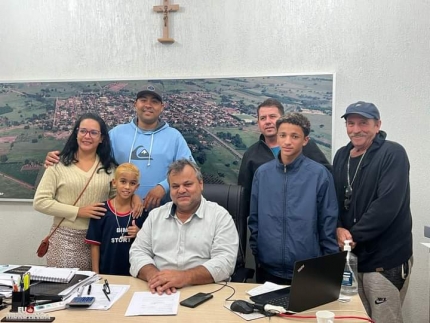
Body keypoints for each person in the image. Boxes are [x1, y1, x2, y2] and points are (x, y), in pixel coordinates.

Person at [45, 83, 194, 211]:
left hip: (162, 210)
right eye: (143, 100)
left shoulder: (174, 136)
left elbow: (190, 168)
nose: (148, 105)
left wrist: (163, 187)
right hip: (121, 211)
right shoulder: (117, 133)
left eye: (154, 101)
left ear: (162, 107)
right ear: (135, 104)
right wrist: (61, 158)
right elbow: (91, 157)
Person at [333, 101, 413, 323]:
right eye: (351, 123)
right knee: (354, 319)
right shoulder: (341, 155)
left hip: (384, 260)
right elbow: (334, 199)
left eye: (363, 123)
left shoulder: (393, 153)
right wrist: (338, 227)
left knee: (384, 319)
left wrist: (353, 237)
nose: (356, 129)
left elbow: (386, 205)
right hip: (351, 258)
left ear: (378, 125)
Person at [248, 113, 339, 284]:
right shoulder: (262, 174)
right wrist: (258, 251)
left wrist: (329, 266)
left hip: (308, 270)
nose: (287, 141)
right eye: (282, 135)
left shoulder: (319, 175)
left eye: (294, 136)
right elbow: (255, 218)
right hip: (268, 269)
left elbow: (328, 223)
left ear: (305, 140)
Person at [129, 159, 239, 295]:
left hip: (204, 293)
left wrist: (183, 277)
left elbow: (225, 262)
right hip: (158, 291)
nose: (181, 190)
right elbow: (138, 252)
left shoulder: (220, 216)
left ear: (201, 184)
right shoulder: (155, 216)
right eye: (175, 186)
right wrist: (154, 276)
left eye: (187, 184)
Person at [33, 113, 117, 270]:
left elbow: (116, 202)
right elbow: (40, 202)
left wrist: (135, 200)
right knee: (64, 291)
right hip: (65, 240)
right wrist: (78, 211)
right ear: (76, 134)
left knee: (96, 290)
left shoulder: (110, 169)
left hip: (99, 241)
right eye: (83, 131)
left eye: (93, 133)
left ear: (102, 138)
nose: (87, 136)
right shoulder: (58, 164)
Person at [238, 98, 332, 221]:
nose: (268, 122)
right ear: (258, 123)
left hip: (305, 221)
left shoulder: (305, 146)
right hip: (270, 222)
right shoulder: (251, 155)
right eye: (263, 118)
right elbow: (244, 196)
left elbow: (327, 181)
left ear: (282, 120)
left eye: (272, 116)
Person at [85, 163, 145, 275]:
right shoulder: (101, 210)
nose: (127, 187)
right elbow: (94, 246)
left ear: (137, 187)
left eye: (132, 183)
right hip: (107, 273)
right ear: (114, 183)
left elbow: (149, 244)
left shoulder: (141, 212)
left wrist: (139, 233)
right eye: (123, 181)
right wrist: (95, 274)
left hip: (134, 274)